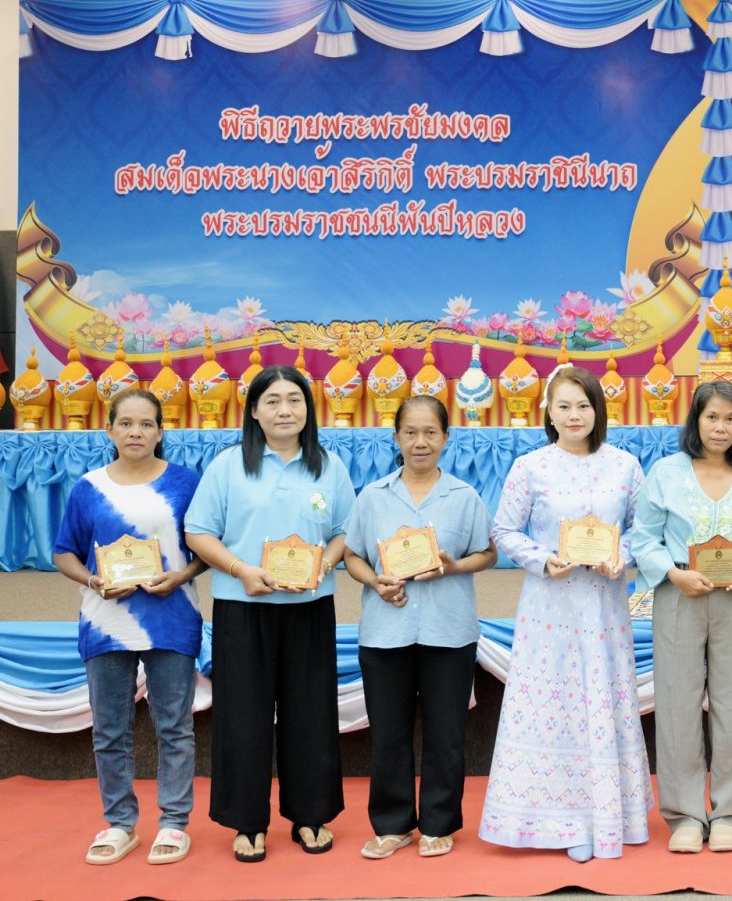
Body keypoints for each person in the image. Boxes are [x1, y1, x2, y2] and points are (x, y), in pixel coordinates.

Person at [479, 366, 650, 863]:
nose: (574, 415)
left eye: (583, 405)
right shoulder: (530, 467)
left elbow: (642, 529)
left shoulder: (625, 466)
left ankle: (609, 818)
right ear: (548, 413)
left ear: (599, 410)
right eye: (564, 406)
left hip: (604, 606)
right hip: (548, 608)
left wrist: (623, 557)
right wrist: (542, 559)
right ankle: (559, 821)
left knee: (601, 698)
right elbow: (504, 530)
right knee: (554, 706)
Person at [185, 365, 356, 862]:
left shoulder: (328, 466)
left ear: (308, 408)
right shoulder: (228, 465)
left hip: (309, 608)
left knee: (311, 712)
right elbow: (198, 531)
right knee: (243, 715)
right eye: (273, 401)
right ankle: (247, 821)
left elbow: (346, 530)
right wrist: (240, 569)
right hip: (243, 607)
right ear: (254, 411)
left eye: (295, 400)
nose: (285, 410)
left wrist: (325, 563)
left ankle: (310, 815)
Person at [629, 381, 732, 854]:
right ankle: (685, 816)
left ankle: (729, 813)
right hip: (679, 595)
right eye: (712, 417)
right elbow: (643, 538)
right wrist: (673, 574)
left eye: (730, 419)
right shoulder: (666, 473)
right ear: (695, 420)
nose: (721, 427)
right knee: (676, 703)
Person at [54, 389, 204, 866]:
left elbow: (206, 547)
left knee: (174, 726)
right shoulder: (89, 487)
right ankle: (119, 823)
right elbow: (64, 552)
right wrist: (93, 581)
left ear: (160, 431)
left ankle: (174, 823)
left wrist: (180, 576)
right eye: (126, 423)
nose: (135, 432)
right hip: (106, 622)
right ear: (109, 431)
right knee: (109, 729)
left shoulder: (185, 482)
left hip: (172, 619)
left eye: (146, 424)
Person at [342, 395, 496, 860]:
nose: (420, 442)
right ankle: (393, 825)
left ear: (446, 438)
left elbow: (487, 553)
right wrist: (376, 581)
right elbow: (352, 555)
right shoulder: (373, 496)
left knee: (446, 732)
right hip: (385, 631)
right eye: (410, 432)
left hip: (448, 630)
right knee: (388, 733)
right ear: (396, 437)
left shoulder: (464, 496)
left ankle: (438, 823)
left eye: (430, 432)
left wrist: (454, 567)